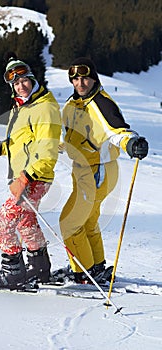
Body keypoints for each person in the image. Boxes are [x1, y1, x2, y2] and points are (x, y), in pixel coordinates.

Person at [0, 52, 61, 290]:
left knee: (3, 222)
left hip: (34, 178)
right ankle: (39, 268)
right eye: (16, 83)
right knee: (26, 222)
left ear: (32, 79)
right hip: (27, 177)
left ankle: (13, 272)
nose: (21, 86)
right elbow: (19, 144)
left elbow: (48, 150)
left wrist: (25, 177)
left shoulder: (45, 107)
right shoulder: (20, 108)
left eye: (24, 80)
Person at [59, 57, 148, 284]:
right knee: (87, 221)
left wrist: (131, 143)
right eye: (75, 78)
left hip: (97, 171)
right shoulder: (74, 103)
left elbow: (118, 130)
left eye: (85, 78)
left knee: (70, 222)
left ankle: (84, 272)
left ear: (94, 78)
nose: (80, 83)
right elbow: (74, 137)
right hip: (84, 170)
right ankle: (96, 266)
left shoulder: (100, 102)